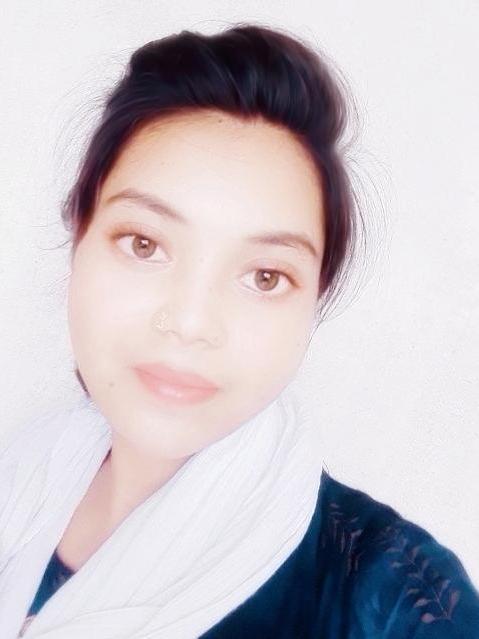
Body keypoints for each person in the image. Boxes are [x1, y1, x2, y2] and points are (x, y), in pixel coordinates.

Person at [1, 22, 478, 639]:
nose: (191, 322)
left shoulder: (392, 604)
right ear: (80, 236)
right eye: (144, 244)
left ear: (314, 303)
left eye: (264, 277)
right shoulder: (18, 479)